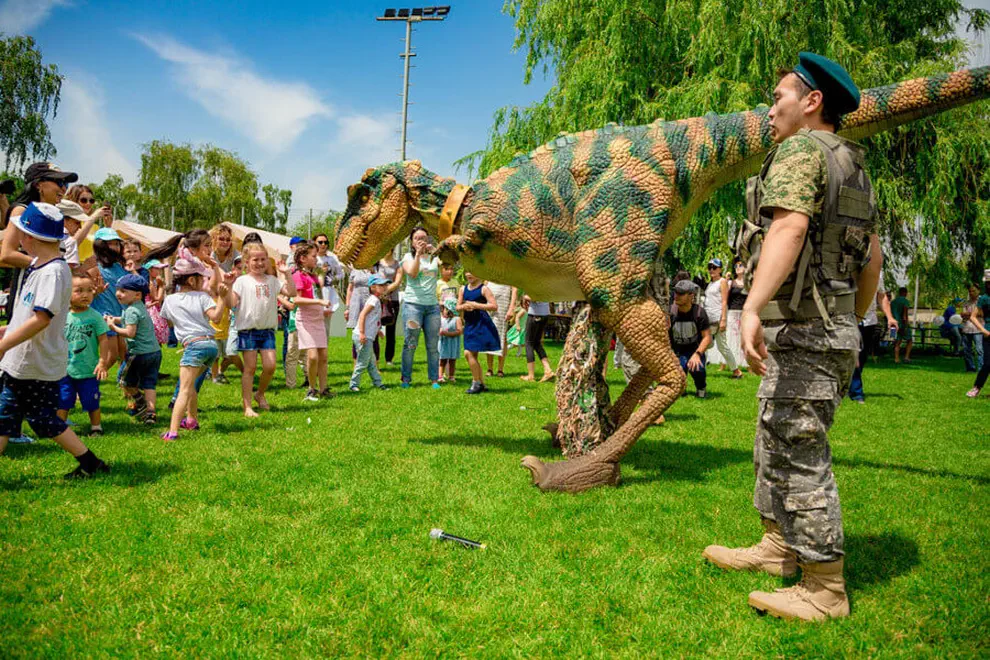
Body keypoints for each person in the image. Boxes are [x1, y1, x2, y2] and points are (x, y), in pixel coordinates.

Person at [704, 53, 881, 621]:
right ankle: (779, 546)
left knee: (799, 449)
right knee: (774, 436)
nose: (769, 109)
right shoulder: (852, 164)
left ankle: (825, 587)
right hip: (826, 329)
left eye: (778, 97)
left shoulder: (802, 151)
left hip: (806, 330)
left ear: (812, 102)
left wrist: (752, 306)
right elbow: (872, 259)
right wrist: (848, 318)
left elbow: (789, 226)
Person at [0, 202, 110, 477]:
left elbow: (42, 319)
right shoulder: (40, 267)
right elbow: (28, 314)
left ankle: (91, 463)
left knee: (36, 419)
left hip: (33, 363)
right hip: (23, 361)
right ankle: (91, 463)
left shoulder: (53, 272)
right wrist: (7, 331)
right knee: (14, 417)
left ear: (30, 238)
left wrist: (3, 345)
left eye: (21, 234)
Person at [159, 257, 228, 441]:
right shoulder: (203, 297)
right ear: (191, 280)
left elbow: (169, 323)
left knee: (183, 389)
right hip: (211, 347)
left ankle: (173, 432)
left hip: (194, 346)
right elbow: (216, 317)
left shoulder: (169, 300)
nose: (204, 281)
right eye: (201, 278)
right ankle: (191, 420)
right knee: (191, 386)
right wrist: (222, 297)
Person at [225, 243, 296, 418]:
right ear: (246, 262)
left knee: (270, 366)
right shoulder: (242, 281)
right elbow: (231, 303)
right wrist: (228, 287)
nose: (259, 263)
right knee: (250, 368)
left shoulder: (272, 281)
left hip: (267, 331)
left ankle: (260, 393)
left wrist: (287, 273)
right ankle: (247, 406)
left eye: (263, 259)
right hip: (248, 331)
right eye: (255, 259)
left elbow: (292, 292)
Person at [57, 274, 110, 436]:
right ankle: (59, 429)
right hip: (64, 369)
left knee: (91, 400)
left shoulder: (95, 316)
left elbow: (103, 339)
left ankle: (96, 427)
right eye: (79, 291)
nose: (85, 295)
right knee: (63, 399)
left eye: (89, 290)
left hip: (88, 369)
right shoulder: (62, 316)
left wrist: (102, 362)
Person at [105, 274, 162, 425]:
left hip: (139, 353)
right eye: (117, 290)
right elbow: (127, 320)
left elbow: (130, 333)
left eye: (123, 291)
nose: (118, 293)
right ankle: (150, 413)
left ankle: (140, 401)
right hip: (154, 352)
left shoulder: (131, 310)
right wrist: (114, 319)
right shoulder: (139, 307)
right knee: (149, 383)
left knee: (124, 381)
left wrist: (112, 327)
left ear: (137, 295)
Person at [292, 241, 334, 401]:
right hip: (306, 320)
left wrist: (323, 309)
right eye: (314, 256)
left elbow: (317, 295)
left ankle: (323, 389)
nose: (316, 259)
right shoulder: (298, 275)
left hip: (318, 318)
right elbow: (297, 299)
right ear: (303, 258)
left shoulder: (314, 276)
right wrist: (319, 302)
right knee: (313, 357)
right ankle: (311, 388)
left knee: (323, 356)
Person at [400, 226, 441, 389]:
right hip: (413, 305)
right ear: (412, 241)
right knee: (411, 343)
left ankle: (434, 379)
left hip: (432, 307)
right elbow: (412, 273)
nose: (421, 241)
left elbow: (448, 262)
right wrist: (418, 254)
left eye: (424, 238)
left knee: (433, 345)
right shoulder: (407, 257)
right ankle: (406, 379)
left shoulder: (434, 257)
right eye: (417, 238)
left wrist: (436, 250)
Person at [848, 275, 895, 403]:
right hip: (849, 319)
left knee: (862, 357)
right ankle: (857, 393)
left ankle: (848, 386)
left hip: (869, 321)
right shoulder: (849, 268)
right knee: (854, 356)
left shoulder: (878, 273)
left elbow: (881, 296)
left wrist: (890, 317)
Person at [88, 227, 129, 370]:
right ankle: (88, 381)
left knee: (124, 353)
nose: (115, 247)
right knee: (111, 355)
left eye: (117, 244)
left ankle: (126, 383)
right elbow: (87, 296)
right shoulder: (94, 268)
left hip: (118, 313)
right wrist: (96, 292)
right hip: (104, 315)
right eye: (111, 243)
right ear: (101, 245)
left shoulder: (118, 266)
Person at [458, 271, 501, 394]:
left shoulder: (484, 289)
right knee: (472, 354)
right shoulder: (462, 289)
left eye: (472, 272)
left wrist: (477, 305)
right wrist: (464, 307)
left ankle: (476, 382)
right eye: (467, 272)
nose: (469, 274)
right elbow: (457, 306)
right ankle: (481, 383)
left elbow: (494, 306)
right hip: (469, 325)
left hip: (481, 324)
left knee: (468, 353)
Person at [669, 279, 711, 398]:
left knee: (697, 367)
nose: (676, 296)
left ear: (691, 296)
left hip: (694, 350)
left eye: (681, 293)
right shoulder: (670, 312)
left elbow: (707, 337)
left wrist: (697, 354)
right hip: (676, 351)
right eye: (676, 292)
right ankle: (681, 388)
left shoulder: (699, 313)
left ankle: (701, 387)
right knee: (680, 366)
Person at [349, 275, 390, 392]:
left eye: (385, 285)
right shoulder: (373, 300)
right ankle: (353, 384)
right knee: (362, 362)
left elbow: (373, 319)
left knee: (371, 362)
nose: (384, 287)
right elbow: (362, 315)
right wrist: (362, 333)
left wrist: (378, 331)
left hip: (369, 336)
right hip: (364, 337)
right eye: (381, 285)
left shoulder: (376, 300)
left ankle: (378, 383)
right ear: (373, 287)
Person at [704, 258, 742, 378]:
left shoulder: (722, 282)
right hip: (708, 318)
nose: (711, 270)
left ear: (720, 269)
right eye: (710, 267)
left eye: (714, 267)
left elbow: (725, 302)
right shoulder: (710, 283)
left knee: (721, 346)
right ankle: (700, 368)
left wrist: (723, 320)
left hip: (718, 318)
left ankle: (736, 371)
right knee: (706, 343)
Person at [345, 266, 380, 366]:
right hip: (356, 304)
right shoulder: (355, 270)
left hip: (370, 303)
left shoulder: (375, 269)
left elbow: (380, 287)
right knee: (356, 335)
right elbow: (350, 289)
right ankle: (356, 365)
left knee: (374, 335)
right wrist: (347, 307)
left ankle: (375, 365)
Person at [484, 282, 517, 377]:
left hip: (503, 303)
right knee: (489, 335)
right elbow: (485, 285)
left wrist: (511, 308)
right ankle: (489, 368)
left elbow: (514, 289)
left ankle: (500, 369)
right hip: (489, 303)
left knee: (502, 336)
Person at [377, 251, 404, 365]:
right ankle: (374, 357)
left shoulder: (398, 264)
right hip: (377, 299)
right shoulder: (377, 263)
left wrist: (385, 291)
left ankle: (389, 358)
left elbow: (397, 282)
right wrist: (380, 293)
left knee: (391, 330)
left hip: (392, 300)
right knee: (374, 328)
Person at [520, 295, 554, 383]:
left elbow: (536, 297)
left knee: (529, 343)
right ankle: (548, 370)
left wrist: (525, 297)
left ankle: (530, 376)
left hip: (535, 314)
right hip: (545, 314)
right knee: (536, 343)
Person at [438, 298, 463, 383]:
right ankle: (440, 376)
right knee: (442, 360)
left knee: (452, 360)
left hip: (453, 343)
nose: (444, 311)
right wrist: (439, 331)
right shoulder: (442, 319)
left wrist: (448, 333)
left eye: (445, 309)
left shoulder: (457, 319)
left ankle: (451, 376)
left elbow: (459, 331)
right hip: (444, 343)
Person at [960, 284, 984, 372]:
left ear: (978, 291)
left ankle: (981, 369)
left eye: (973, 291)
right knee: (966, 350)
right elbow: (963, 315)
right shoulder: (966, 302)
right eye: (970, 291)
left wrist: (968, 314)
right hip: (967, 328)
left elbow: (982, 314)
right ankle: (970, 368)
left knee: (979, 350)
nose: (971, 293)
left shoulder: (983, 301)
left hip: (978, 329)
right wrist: (972, 314)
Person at [890, 286, 913, 363]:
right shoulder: (905, 301)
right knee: (909, 340)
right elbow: (904, 315)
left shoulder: (893, 302)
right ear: (905, 293)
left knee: (897, 341)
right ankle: (906, 357)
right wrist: (906, 325)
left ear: (899, 293)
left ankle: (896, 359)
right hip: (901, 323)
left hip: (893, 324)